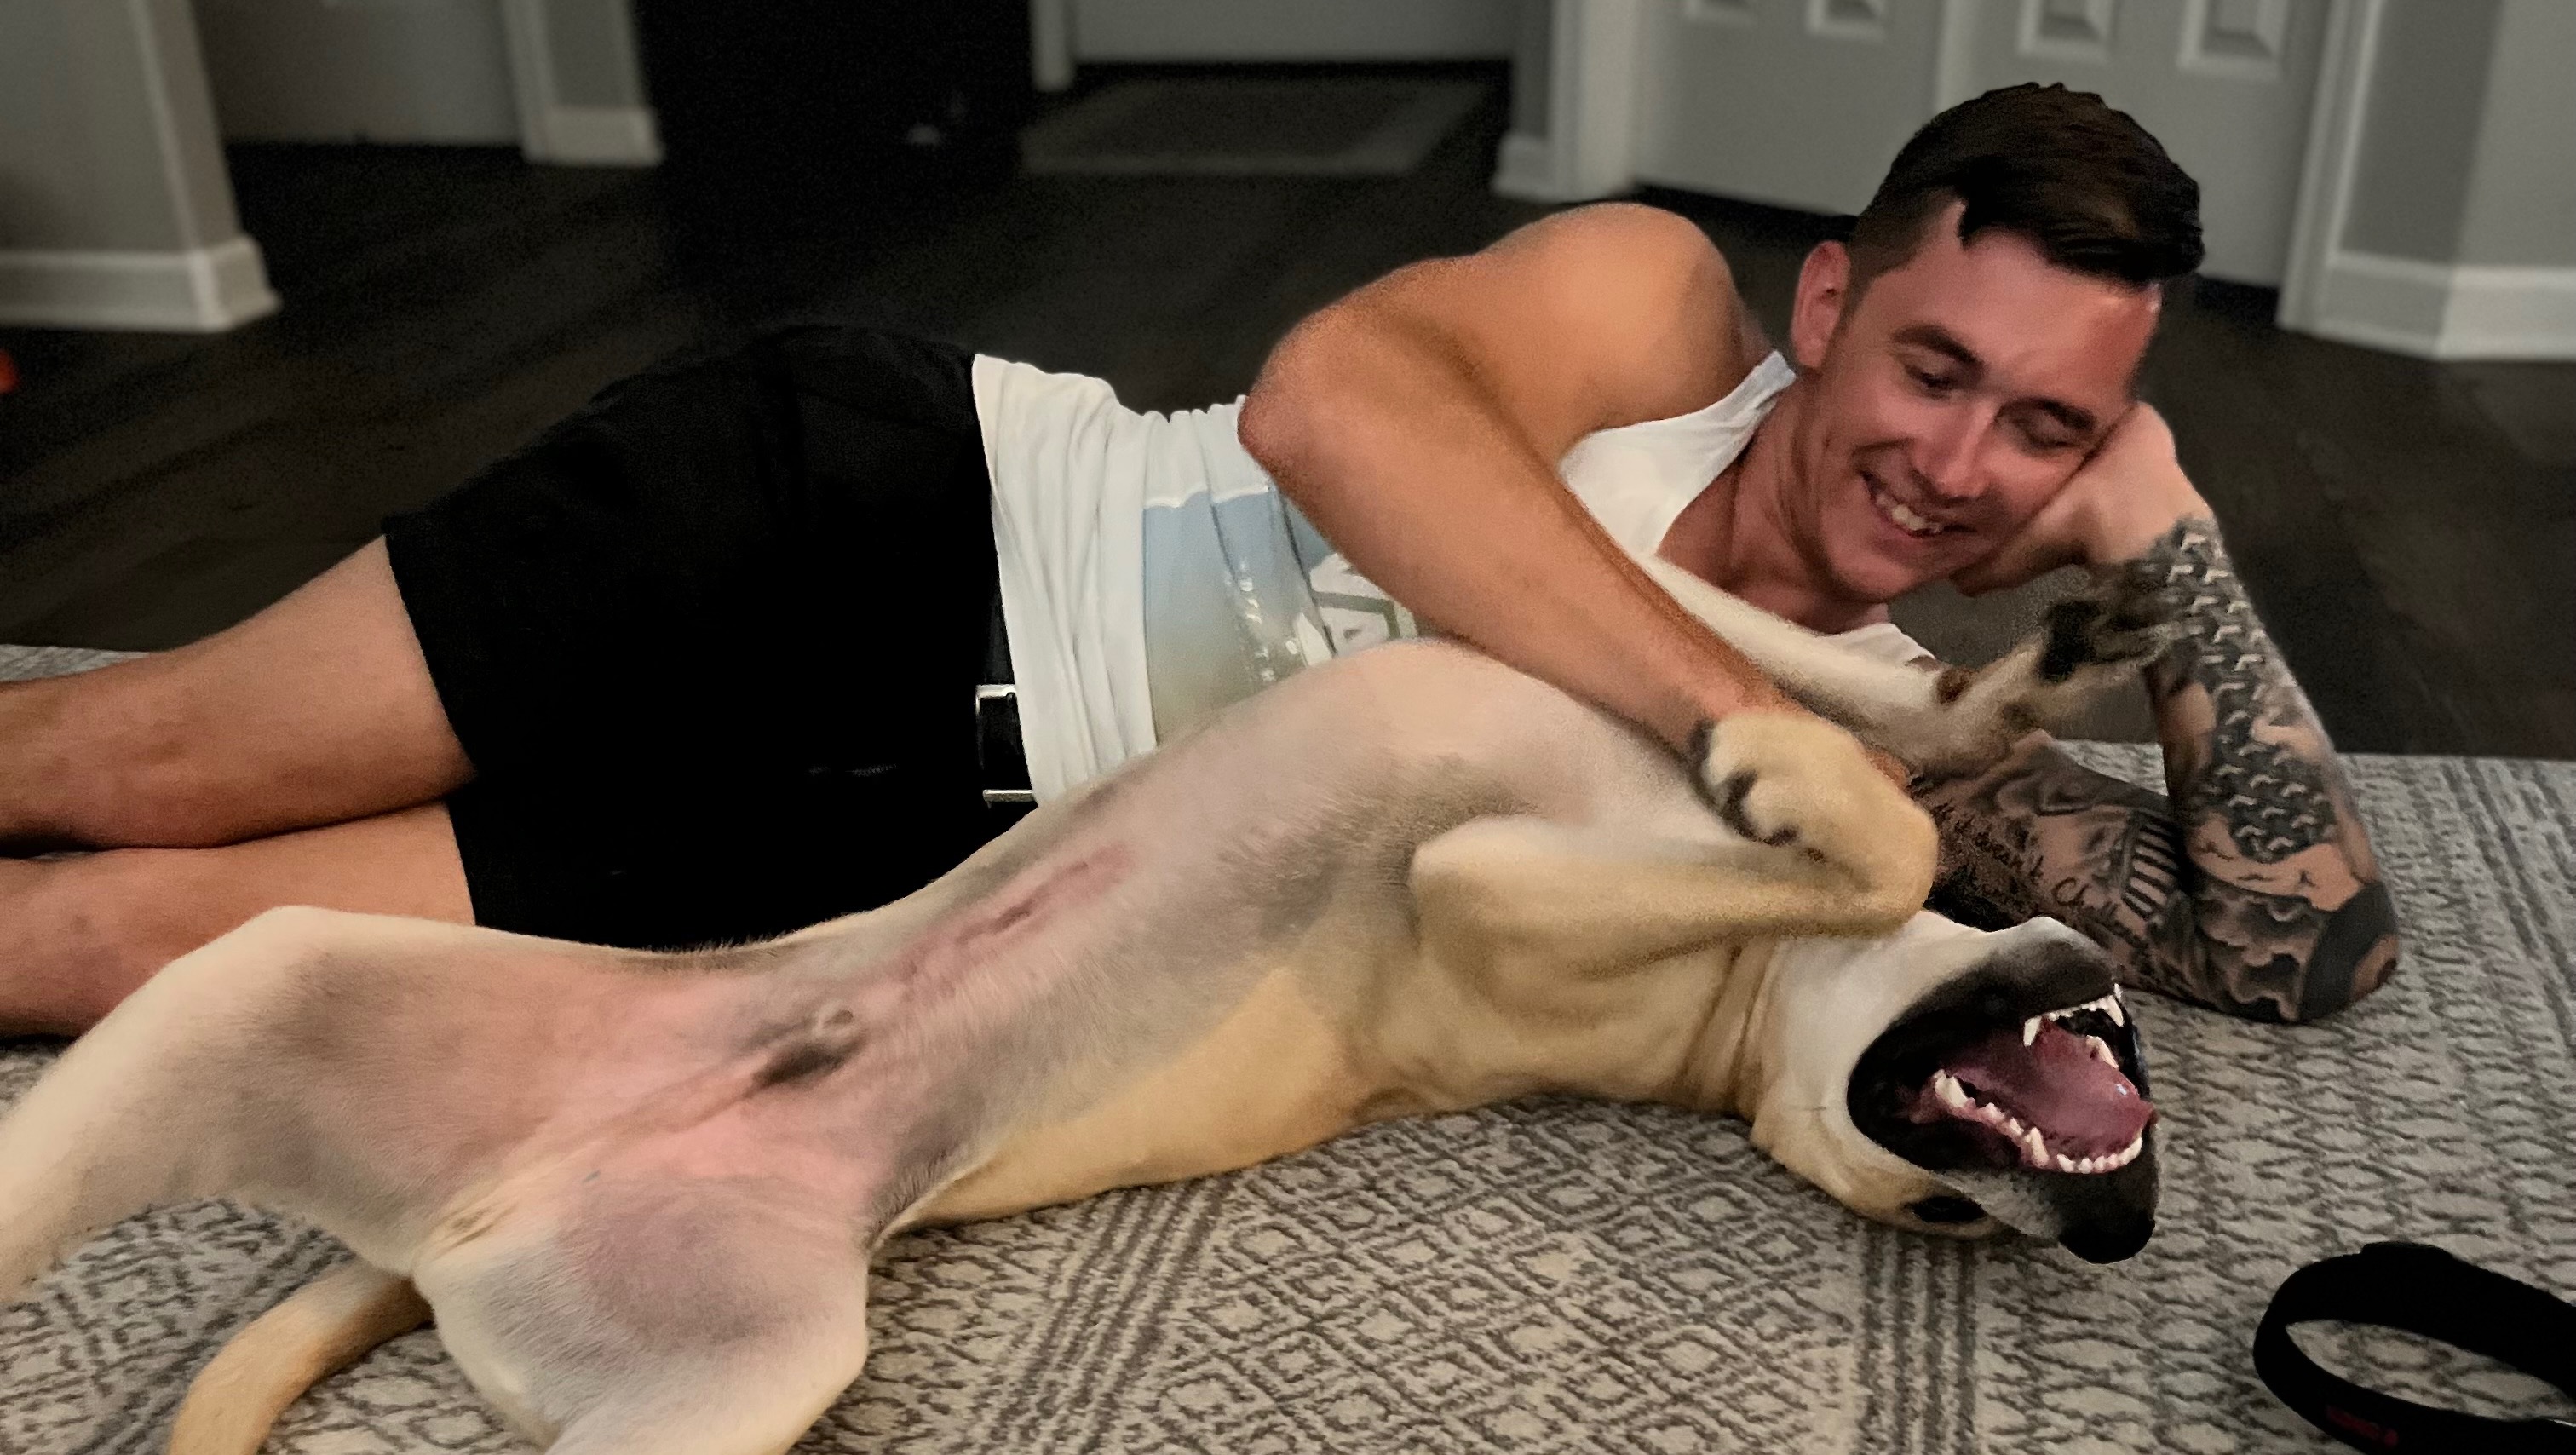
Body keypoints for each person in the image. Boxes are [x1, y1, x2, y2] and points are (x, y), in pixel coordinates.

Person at [0, 84, 2395, 1038]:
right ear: (1829, 304)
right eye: (1937, 367)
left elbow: (2292, 947)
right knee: (130, 759)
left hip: (917, 847)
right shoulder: (1662, 310)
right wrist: (1741, 723)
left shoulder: (1913, 745)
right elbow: (1323, 406)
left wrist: (2170, 527)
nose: (1960, 462)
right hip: (871, 522)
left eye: (2049, 425)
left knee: (132, 949)